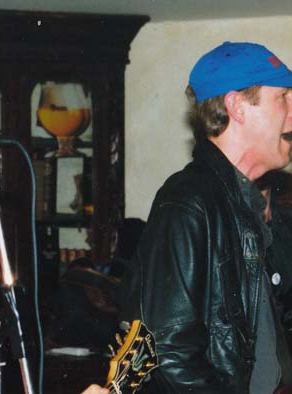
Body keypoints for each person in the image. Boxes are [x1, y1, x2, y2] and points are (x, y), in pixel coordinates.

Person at [119, 41, 292, 393]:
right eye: (283, 98)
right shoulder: (188, 202)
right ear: (237, 106)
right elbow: (168, 353)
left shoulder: (250, 203)